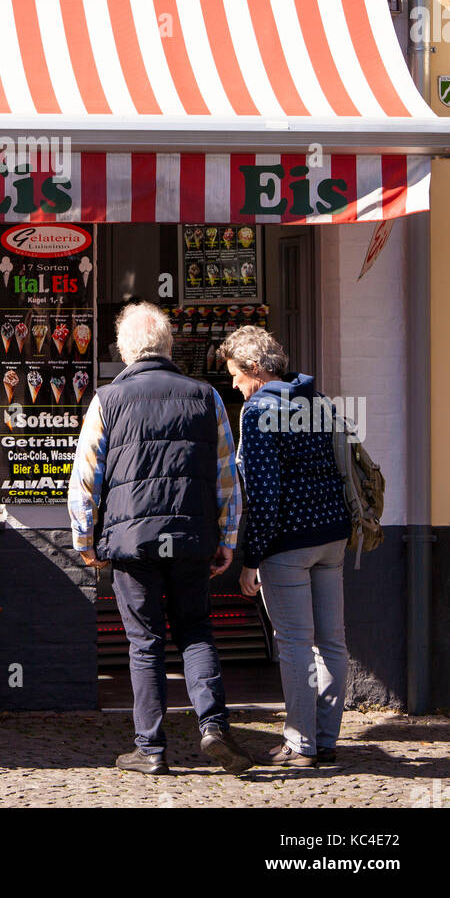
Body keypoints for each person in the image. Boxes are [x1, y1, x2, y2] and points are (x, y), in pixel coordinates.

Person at [68, 301, 252, 777]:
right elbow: (226, 475)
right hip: (192, 538)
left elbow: (86, 478)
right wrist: (227, 538)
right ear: (169, 347)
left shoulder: (108, 400)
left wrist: (85, 541)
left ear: (126, 351)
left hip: (132, 542)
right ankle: (214, 726)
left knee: (144, 643)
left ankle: (149, 748)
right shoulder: (206, 396)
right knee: (195, 631)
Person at [217, 326, 351, 768]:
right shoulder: (317, 401)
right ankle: (326, 739)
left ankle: (300, 743)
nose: (233, 384)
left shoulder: (257, 411)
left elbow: (264, 492)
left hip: (286, 542)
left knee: (295, 642)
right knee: (330, 641)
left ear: (255, 369)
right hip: (332, 534)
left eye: (236, 375)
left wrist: (250, 559)